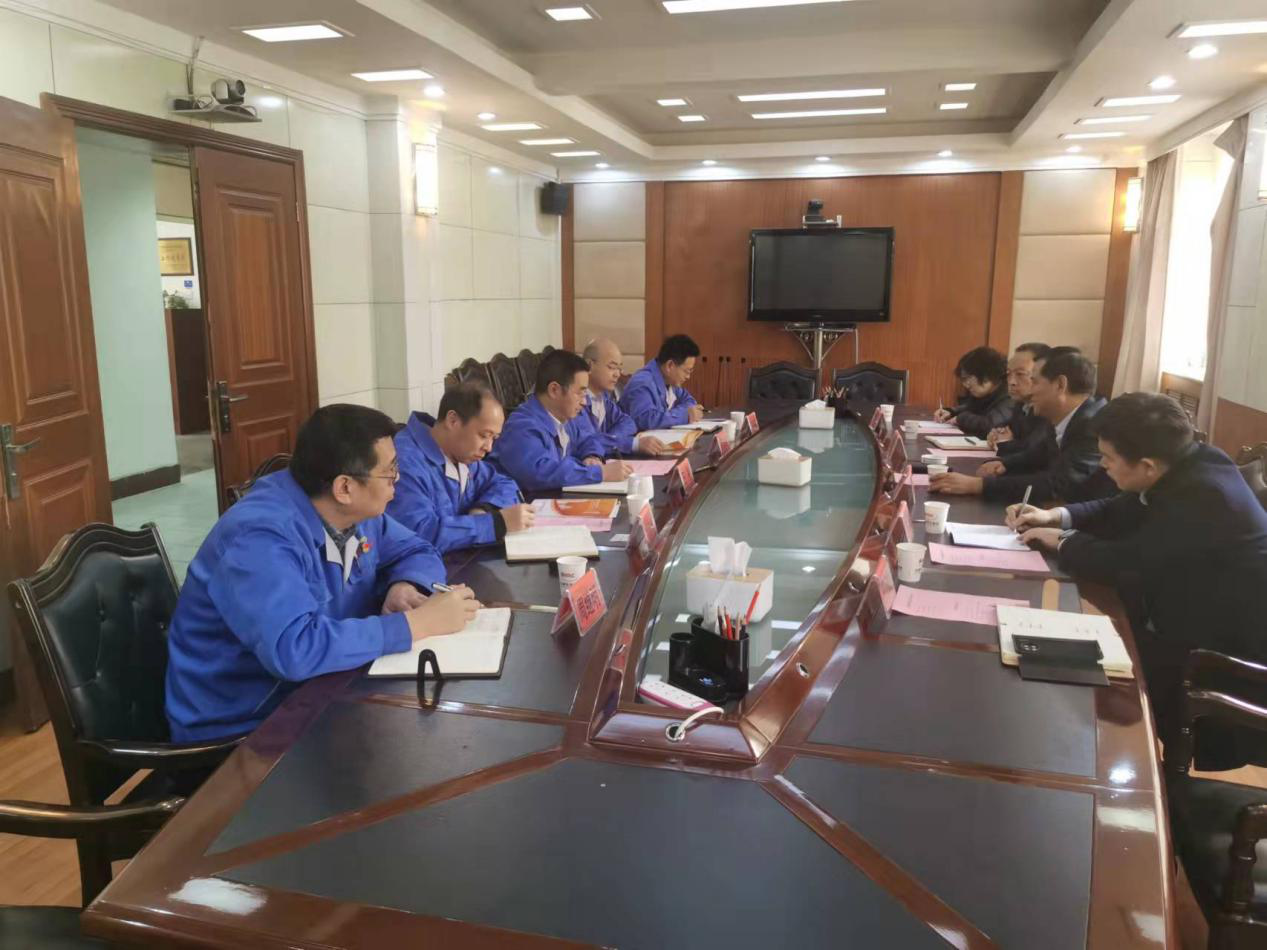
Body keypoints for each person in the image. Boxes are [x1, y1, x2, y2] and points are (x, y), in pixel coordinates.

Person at [166, 405, 480, 742]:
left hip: (323, 691)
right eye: (389, 472)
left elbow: (417, 549)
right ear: (344, 487)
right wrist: (416, 624)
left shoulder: (356, 513)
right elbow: (294, 649)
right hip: (245, 728)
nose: (397, 481)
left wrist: (404, 585)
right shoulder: (258, 537)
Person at [1011, 393, 1267, 766]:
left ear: (1147, 466)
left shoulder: (1207, 495)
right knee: (1075, 653)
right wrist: (1056, 517)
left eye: (1108, 458)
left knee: (1091, 686)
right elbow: (1118, 507)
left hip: (1227, 654)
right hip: (1184, 610)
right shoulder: (1189, 461)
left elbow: (1128, 561)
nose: (1102, 465)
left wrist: (1063, 541)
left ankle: (1134, 781)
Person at [931, 349, 1115, 504]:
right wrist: (1005, 464)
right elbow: (1039, 454)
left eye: (1034, 381)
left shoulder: (1094, 426)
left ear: (1060, 385)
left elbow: (1057, 485)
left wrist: (978, 486)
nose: (1030, 390)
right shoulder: (1069, 416)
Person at [389, 382, 534, 553]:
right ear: (453, 421)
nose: (489, 448)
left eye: (494, 438)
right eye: (484, 435)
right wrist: (496, 524)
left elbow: (504, 483)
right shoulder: (405, 462)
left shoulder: (462, 454)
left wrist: (484, 509)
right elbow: (419, 534)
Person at [490, 349, 633, 491]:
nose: (584, 402)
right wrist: (600, 473)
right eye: (580, 393)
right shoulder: (522, 427)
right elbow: (540, 473)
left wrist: (592, 456)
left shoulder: (565, 416)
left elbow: (588, 439)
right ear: (554, 390)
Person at [581, 338, 668, 456]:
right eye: (611, 367)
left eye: (619, 368)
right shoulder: (577, 401)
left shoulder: (603, 397)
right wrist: (631, 444)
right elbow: (586, 442)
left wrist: (610, 440)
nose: (617, 374)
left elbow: (628, 422)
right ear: (590, 365)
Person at [978, 342, 1054, 477]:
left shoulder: (1049, 409)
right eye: (1008, 374)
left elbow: (1033, 451)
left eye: (1020, 374)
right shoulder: (1021, 403)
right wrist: (996, 433)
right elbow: (1010, 429)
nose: (1011, 381)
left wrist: (1005, 443)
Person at [620, 334, 706, 430]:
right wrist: (684, 415)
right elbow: (646, 420)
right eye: (686, 371)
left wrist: (683, 413)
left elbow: (689, 400)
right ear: (670, 365)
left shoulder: (670, 381)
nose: (688, 377)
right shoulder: (642, 383)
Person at [932, 346, 1014, 437]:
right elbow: (970, 407)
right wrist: (951, 412)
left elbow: (991, 425)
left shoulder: (1011, 395)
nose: (965, 384)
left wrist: (961, 419)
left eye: (967, 378)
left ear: (986, 377)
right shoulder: (987, 393)